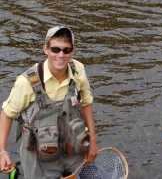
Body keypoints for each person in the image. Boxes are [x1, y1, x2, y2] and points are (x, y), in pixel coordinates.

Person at [0, 26, 98, 178]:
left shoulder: (78, 70)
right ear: (45, 49)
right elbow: (6, 114)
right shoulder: (26, 82)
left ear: (72, 51)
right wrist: (2, 151)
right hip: (38, 158)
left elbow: (86, 103)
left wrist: (92, 140)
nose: (61, 55)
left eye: (66, 50)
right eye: (55, 49)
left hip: (72, 150)